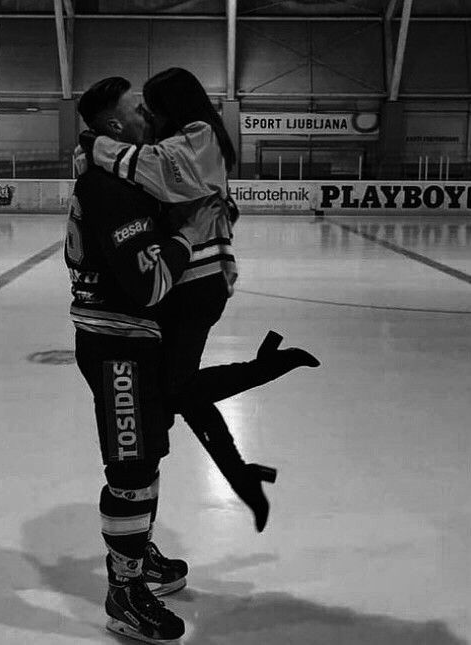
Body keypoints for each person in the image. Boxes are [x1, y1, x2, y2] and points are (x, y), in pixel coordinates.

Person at [79, 67, 320, 534]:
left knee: (170, 393)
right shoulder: (182, 141)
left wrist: (93, 146)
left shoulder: (199, 135)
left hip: (197, 283)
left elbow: (154, 173)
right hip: (188, 283)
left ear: (173, 105)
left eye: (151, 105)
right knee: (173, 394)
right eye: (139, 107)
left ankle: (267, 371)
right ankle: (242, 474)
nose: (147, 114)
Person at [67, 76, 200, 643]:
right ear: (114, 126)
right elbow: (148, 283)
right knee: (130, 470)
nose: (149, 115)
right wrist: (191, 236)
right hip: (117, 346)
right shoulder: (109, 188)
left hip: (134, 343)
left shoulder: (124, 177)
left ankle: (139, 557)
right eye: (137, 110)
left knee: (147, 457)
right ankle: (124, 593)